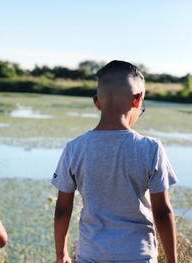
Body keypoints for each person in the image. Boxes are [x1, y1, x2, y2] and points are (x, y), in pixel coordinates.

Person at [52, 60, 177, 263]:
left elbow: (62, 209)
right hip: (139, 256)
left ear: (97, 102)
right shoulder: (151, 148)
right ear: (137, 100)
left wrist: (62, 254)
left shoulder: (75, 148)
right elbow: (162, 211)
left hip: (91, 256)